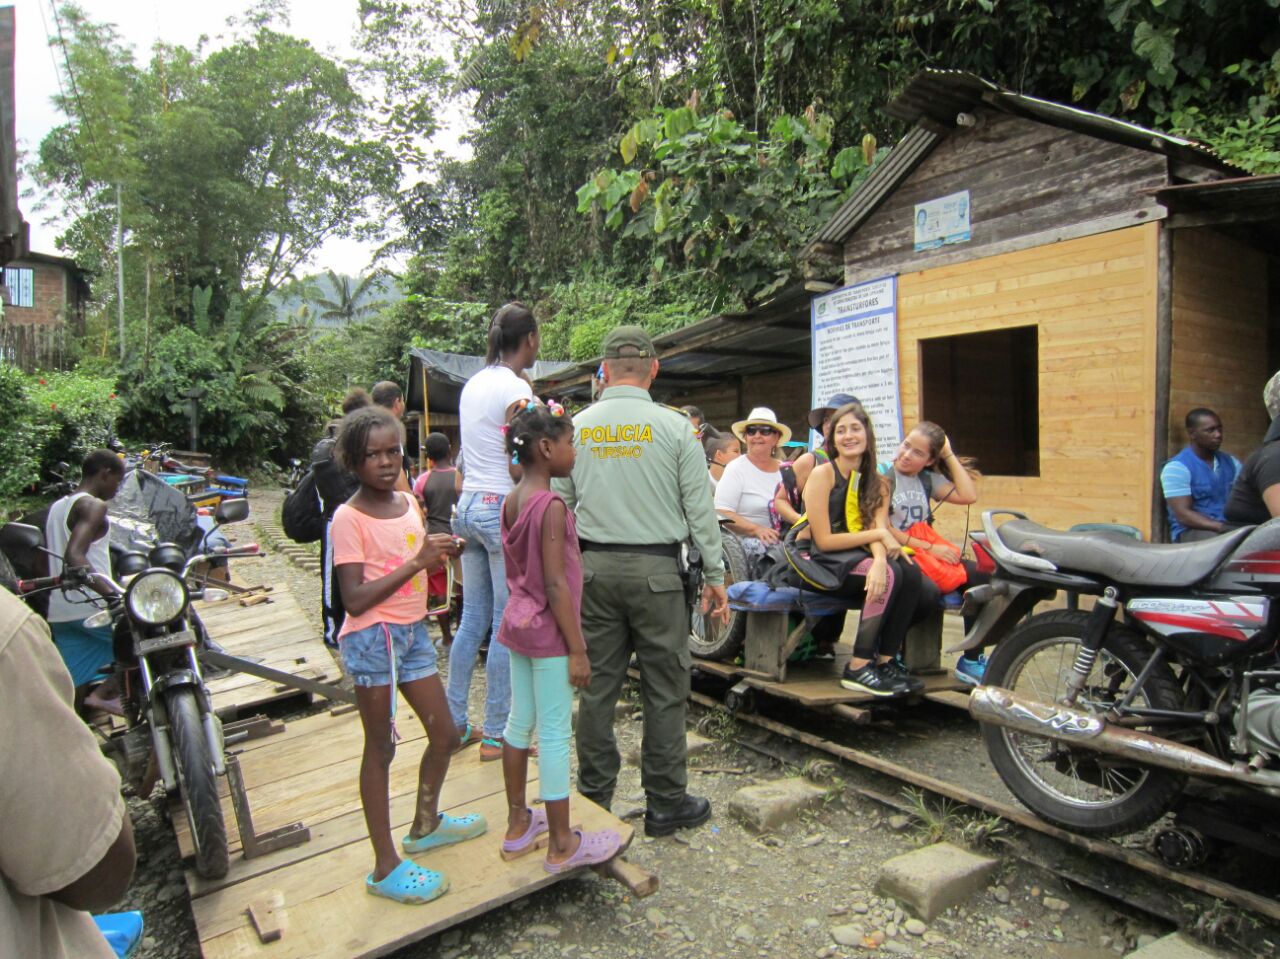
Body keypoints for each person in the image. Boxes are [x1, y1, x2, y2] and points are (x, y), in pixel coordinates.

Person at [557, 325, 729, 837]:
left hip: (594, 573)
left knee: (596, 692)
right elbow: (700, 511)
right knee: (665, 690)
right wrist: (715, 575)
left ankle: (594, 803)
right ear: (654, 368)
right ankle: (666, 803)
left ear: (604, 372)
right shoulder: (676, 429)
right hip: (659, 577)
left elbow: (560, 508)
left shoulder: (578, 428)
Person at [330, 406, 482, 904]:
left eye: (392, 451)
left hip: (412, 633)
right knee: (381, 749)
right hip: (373, 640)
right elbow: (354, 599)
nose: (385, 462)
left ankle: (425, 824)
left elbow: (411, 557)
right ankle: (384, 865)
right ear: (353, 461)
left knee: (447, 733)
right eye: (372, 454)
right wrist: (418, 561)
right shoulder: (348, 518)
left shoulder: (407, 502)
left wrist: (443, 550)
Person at [497, 402, 623, 872]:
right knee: (553, 733)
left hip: (518, 624)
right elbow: (555, 584)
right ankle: (561, 843)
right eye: (570, 443)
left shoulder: (513, 498)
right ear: (547, 448)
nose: (575, 451)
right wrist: (578, 648)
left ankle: (517, 824)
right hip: (549, 634)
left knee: (518, 722)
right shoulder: (549, 506)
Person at [0, 588, 137, 958]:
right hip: (84, 606)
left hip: (71, 606)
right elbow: (96, 872)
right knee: (128, 637)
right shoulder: (5, 630)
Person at [450, 302, 541, 760]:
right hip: (498, 508)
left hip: (466, 507)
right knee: (506, 624)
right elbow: (520, 461)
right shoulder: (514, 388)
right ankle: (498, 735)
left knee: (472, 620)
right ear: (530, 339)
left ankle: (454, 724)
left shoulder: (474, 383)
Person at [800, 402, 924, 697]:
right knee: (891, 575)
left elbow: (875, 525)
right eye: (841, 431)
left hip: (855, 553)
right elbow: (824, 541)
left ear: (867, 434)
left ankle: (885, 660)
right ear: (832, 440)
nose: (848, 436)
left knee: (909, 572)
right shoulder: (823, 474)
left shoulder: (877, 482)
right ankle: (857, 666)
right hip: (817, 559)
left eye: (855, 428)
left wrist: (880, 560)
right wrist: (880, 541)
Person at [883, 423, 987, 685]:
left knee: (981, 577)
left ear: (930, 460)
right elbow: (882, 527)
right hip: (895, 551)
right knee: (927, 592)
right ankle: (890, 651)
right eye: (906, 445)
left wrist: (948, 455)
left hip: (925, 552)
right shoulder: (883, 475)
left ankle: (971, 659)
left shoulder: (927, 479)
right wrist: (930, 548)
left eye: (918, 453)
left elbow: (968, 495)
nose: (907, 455)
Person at [773, 394, 859, 660]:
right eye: (828, 420)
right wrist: (804, 522)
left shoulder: (861, 466)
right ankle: (815, 641)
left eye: (839, 419)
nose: (831, 424)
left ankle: (829, 640)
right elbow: (780, 501)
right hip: (807, 543)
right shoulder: (811, 461)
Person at [44, 449, 125, 713]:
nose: (116, 490)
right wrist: (112, 595)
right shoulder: (94, 506)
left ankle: (75, 728)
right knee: (149, 645)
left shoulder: (58, 507)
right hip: (92, 606)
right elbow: (75, 557)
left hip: (61, 611)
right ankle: (102, 695)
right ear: (105, 473)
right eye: (117, 482)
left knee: (74, 682)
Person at [319, 387, 372, 648]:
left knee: (337, 576)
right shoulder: (344, 443)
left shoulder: (329, 443)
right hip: (354, 517)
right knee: (348, 576)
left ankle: (335, 629)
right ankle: (334, 631)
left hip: (337, 517)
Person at [714, 407, 791, 555]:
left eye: (765, 431)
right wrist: (756, 530)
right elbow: (722, 512)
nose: (757, 435)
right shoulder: (736, 468)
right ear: (746, 437)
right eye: (751, 431)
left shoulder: (787, 470)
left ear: (776, 437)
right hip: (745, 546)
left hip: (784, 540)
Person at [1160, 408, 1241, 542]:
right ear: (1192, 433)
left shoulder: (1232, 463)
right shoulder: (1177, 468)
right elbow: (1183, 515)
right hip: (1192, 531)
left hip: (1226, 528)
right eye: (1210, 430)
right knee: (1225, 543)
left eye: (1219, 429)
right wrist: (1223, 527)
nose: (1218, 435)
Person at [413, 432, 461, 646]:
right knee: (460, 588)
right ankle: (462, 632)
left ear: (428, 456)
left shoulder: (422, 481)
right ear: (449, 451)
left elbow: (420, 512)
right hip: (458, 539)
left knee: (440, 589)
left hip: (435, 540)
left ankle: (446, 637)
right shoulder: (459, 477)